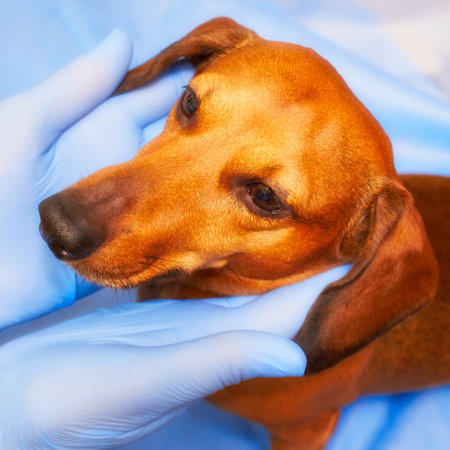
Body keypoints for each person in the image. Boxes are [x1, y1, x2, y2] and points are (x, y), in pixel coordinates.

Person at [0, 30, 347, 448]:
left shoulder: (277, 386)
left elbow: (311, 426)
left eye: (262, 195)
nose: (76, 213)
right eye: (191, 105)